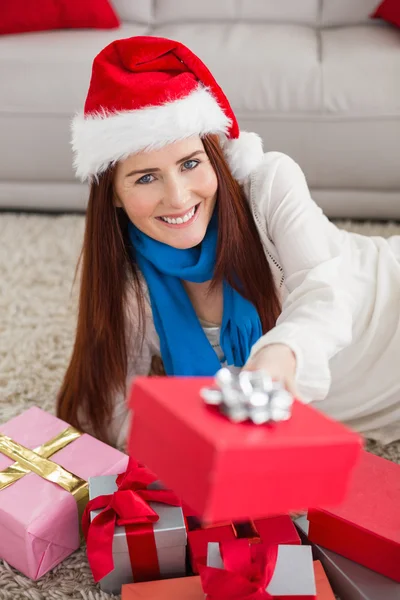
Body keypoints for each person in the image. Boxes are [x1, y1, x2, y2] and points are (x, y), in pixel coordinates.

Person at [57, 35, 400, 449]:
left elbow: (327, 292)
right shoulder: (130, 283)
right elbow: (108, 414)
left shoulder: (269, 184)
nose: (178, 197)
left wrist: (280, 352)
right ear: (111, 192)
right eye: (146, 177)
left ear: (215, 156)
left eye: (190, 164)